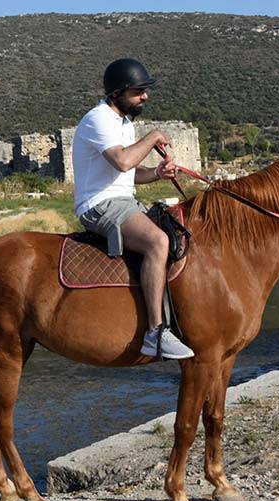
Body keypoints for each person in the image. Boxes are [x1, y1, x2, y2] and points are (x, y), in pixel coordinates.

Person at [72, 58, 195, 360]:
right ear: (117, 93)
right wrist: (152, 136)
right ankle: (155, 332)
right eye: (138, 91)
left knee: (177, 230)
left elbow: (128, 173)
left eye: (145, 91)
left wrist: (157, 173)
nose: (145, 97)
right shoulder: (98, 119)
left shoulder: (123, 123)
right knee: (158, 241)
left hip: (123, 200)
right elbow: (124, 162)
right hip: (99, 204)